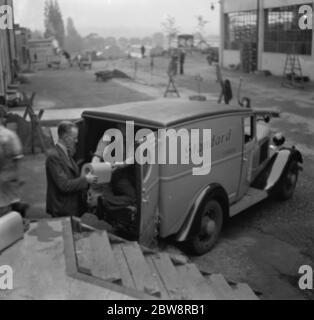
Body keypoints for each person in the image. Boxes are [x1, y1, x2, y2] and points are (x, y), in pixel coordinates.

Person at [45, 121, 97, 218]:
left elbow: (73, 177)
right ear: (65, 138)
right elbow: (64, 185)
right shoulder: (54, 157)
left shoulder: (66, 153)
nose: (76, 141)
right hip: (62, 209)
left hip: (71, 206)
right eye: (74, 138)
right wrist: (86, 179)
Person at [89, 123, 136, 217]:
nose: (125, 130)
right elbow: (98, 154)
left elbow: (131, 158)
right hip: (105, 175)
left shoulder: (131, 138)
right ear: (118, 126)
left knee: (133, 197)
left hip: (119, 175)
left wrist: (121, 165)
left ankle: (105, 202)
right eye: (123, 126)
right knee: (106, 194)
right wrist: (95, 165)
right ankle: (105, 202)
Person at [0, 124, 28, 218]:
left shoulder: (8, 135)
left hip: (7, 176)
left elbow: (17, 157)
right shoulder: (10, 135)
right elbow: (18, 157)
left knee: (8, 201)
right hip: (9, 175)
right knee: (11, 200)